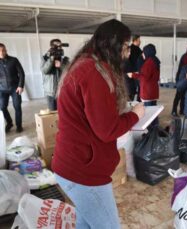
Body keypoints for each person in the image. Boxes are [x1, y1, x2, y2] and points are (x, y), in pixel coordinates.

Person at [51, 19, 145, 229]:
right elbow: (107, 130)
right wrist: (135, 115)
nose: (128, 53)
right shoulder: (94, 72)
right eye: (126, 46)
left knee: (85, 223)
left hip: (74, 163)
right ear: (114, 45)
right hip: (83, 171)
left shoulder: (85, 64)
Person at [127, 43, 160, 127]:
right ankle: (155, 128)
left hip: (147, 91)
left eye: (144, 52)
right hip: (153, 90)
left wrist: (133, 75)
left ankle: (150, 131)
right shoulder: (155, 60)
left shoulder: (149, 62)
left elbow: (144, 77)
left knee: (148, 112)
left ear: (147, 52)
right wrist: (140, 73)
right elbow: (149, 74)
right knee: (153, 111)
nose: (142, 54)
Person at [0, 43, 25, 133]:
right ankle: (9, 123)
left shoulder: (14, 60)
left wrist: (20, 85)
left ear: (6, 50)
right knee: (2, 107)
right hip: (2, 89)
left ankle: (19, 126)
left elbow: (21, 73)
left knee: (17, 106)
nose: (1, 52)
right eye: (0, 51)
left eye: (3, 50)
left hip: (15, 88)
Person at [41, 39, 69, 110]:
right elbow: (44, 71)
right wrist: (51, 60)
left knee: (63, 111)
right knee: (52, 114)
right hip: (50, 91)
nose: (59, 48)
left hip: (62, 90)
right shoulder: (45, 58)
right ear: (51, 47)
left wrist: (61, 65)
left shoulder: (65, 59)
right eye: (56, 46)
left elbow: (69, 72)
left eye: (60, 46)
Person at [171, 44, 187, 116]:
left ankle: (181, 110)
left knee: (182, 96)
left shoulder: (186, 55)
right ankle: (174, 110)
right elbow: (186, 69)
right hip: (182, 78)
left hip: (183, 78)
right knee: (179, 95)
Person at [126, 35, 143, 101]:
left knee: (134, 89)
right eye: (139, 40)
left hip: (133, 72)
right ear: (135, 41)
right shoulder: (135, 49)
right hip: (134, 72)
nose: (140, 42)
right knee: (137, 88)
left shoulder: (135, 49)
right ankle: (138, 102)